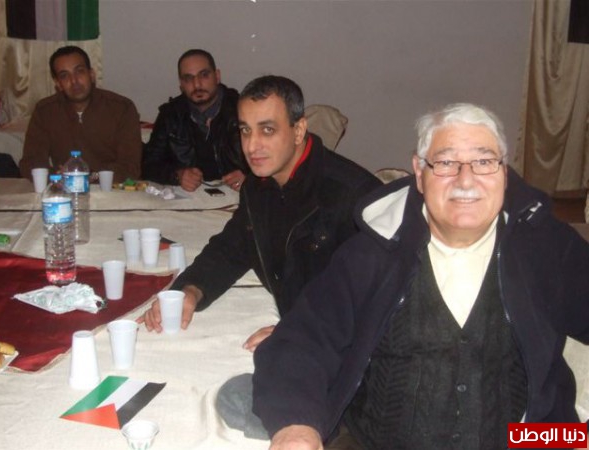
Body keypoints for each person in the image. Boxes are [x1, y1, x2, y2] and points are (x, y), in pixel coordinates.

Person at [252, 103, 589, 449]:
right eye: (445, 163)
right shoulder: (374, 252)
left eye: (484, 161)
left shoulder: (545, 247)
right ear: (419, 171)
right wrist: (296, 425)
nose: (466, 180)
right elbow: (303, 340)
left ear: (504, 171)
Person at [139, 75, 381, 352]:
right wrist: (191, 290)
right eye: (245, 130)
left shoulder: (355, 196)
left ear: (299, 130)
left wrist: (304, 329)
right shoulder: (258, 186)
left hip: (340, 352)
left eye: (267, 130)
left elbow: (379, 298)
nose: (252, 146)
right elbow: (233, 247)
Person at [19, 46, 142, 183]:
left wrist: (90, 176)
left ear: (92, 75)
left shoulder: (121, 108)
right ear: (58, 83)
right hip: (64, 188)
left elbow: (130, 167)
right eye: (64, 75)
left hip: (111, 189)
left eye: (79, 71)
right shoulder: (45, 111)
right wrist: (57, 177)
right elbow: (30, 163)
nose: (74, 81)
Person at [141, 49, 247, 192]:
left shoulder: (243, 110)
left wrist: (250, 178)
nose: (197, 85)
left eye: (204, 75)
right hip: (189, 199)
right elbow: (148, 165)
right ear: (181, 84)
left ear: (217, 76)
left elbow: (272, 159)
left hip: (238, 197)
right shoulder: (171, 115)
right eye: (188, 78)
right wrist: (177, 175)